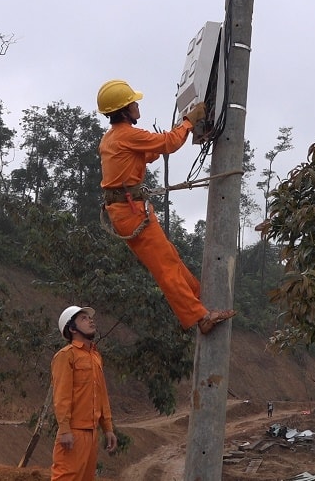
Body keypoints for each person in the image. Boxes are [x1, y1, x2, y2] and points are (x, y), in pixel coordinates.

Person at [96, 79, 236, 335]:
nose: (138, 105)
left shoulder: (113, 138)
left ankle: (198, 298)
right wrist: (188, 123)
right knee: (166, 267)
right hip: (131, 211)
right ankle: (201, 316)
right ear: (125, 110)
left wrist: (174, 133)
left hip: (128, 210)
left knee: (169, 258)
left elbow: (150, 151)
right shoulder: (127, 135)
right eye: (133, 103)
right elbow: (168, 145)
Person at [51, 305, 117, 481]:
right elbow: (61, 397)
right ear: (72, 328)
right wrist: (65, 430)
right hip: (74, 431)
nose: (90, 320)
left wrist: (107, 428)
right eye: (83, 318)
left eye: (89, 318)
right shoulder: (66, 356)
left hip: (91, 432)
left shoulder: (95, 356)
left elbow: (102, 395)